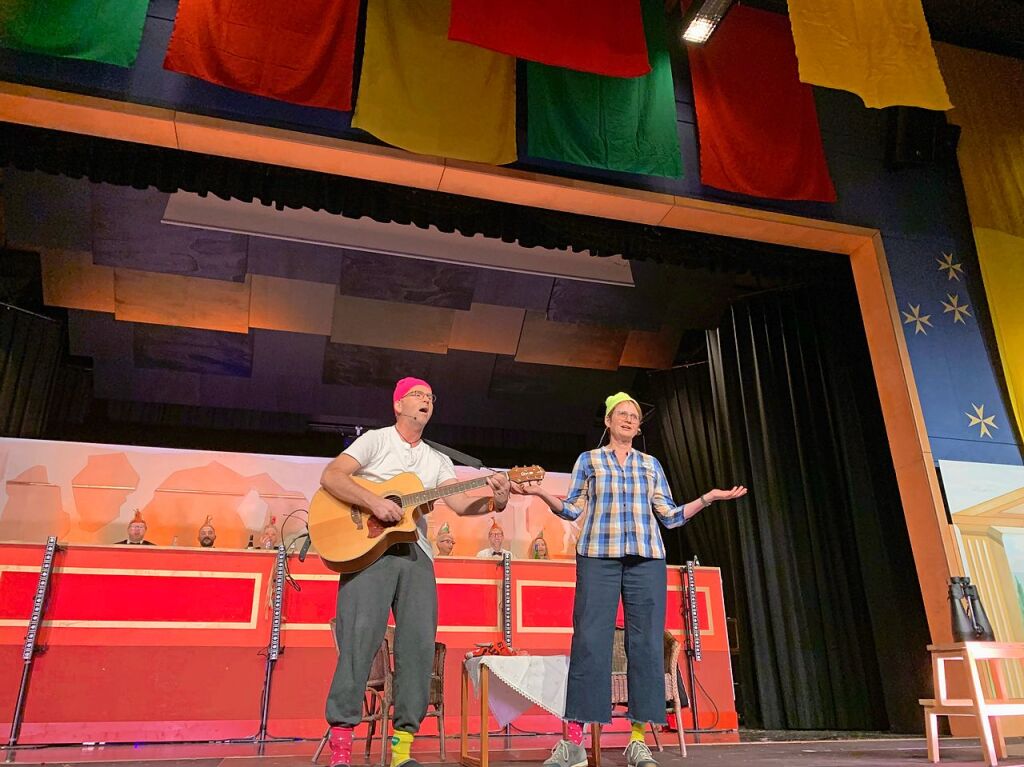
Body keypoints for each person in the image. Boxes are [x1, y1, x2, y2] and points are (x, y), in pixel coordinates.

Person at [513, 392, 747, 767]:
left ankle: (637, 740)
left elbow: (669, 516)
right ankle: (573, 742)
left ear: (638, 427)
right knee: (590, 643)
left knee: (646, 646)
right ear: (607, 421)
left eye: (633, 417)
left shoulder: (650, 464)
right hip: (598, 557)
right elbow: (572, 508)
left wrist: (706, 498)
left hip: (646, 561)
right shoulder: (590, 460)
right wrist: (541, 492)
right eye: (620, 414)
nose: (627, 420)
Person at [321, 377, 510, 767]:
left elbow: (459, 505)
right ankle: (341, 748)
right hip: (368, 551)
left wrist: (498, 498)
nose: (426, 401)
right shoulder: (375, 440)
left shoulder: (438, 460)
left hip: (416, 554)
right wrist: (375, 501)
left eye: (430, 397)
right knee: (358, 642)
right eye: (417, 396)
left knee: (418, 647)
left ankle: (402, 750)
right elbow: (333, 477)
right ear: (398, 405)